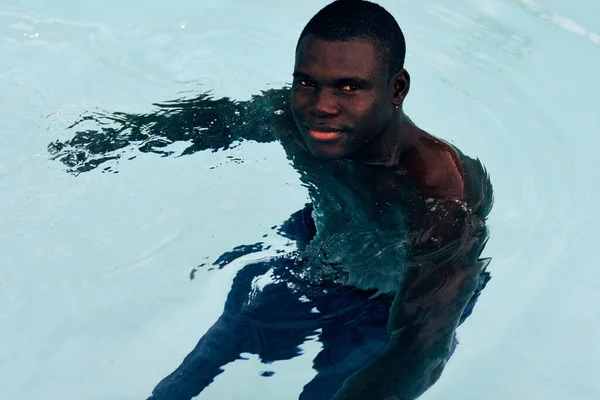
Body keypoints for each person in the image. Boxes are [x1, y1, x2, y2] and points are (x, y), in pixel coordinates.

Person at [48, 1, 493, 399]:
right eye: (306, 82)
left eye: (349, 87)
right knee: (189, 375)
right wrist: (116, 138)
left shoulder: (437, 191)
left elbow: (420, 348)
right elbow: (217, 120)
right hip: (317, 256)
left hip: (389, 303)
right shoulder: (291, 118)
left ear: (396, 90)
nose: (321, 105)